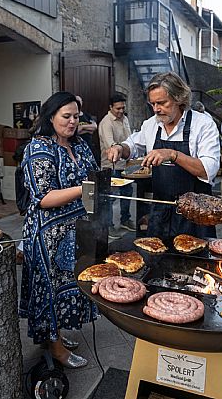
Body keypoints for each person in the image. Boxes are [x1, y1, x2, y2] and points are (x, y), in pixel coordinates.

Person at [19, 91, 99, 369]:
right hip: (47, 235)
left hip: (76, 230)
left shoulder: (80, 145)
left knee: (69, 286)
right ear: (50, 117)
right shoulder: (38, 148)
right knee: (50, 289)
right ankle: (56, 348)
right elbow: (43, 197)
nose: (73, 122)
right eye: (66, 116)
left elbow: (94, 175)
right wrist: (84, 189)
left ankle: (56, 336)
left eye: (76, 116)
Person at [107, 72, 220, 238]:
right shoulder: (151, 124)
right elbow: (132, 145)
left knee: (196, 261)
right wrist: (119, 147)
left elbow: (208, 170)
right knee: (157, 259)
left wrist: (173, 154)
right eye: (152, 104)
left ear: (179, 99)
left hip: (196, 213)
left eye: (161, 103)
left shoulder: (203, 124)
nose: (156, 109)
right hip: (161, 211)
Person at [98, 93, 135, 238]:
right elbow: (110, 146)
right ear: (110, 107)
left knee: (127, 193)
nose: (121, 111)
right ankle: (109, 227)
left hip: (125, 165)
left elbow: (130, 138)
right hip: (111, 166)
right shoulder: (106, 123)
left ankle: (125, 219)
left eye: (123, 108)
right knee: (110, 197)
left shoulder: (124, 118)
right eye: (118, 108)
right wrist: (121, 149)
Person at [75, 95, 99, 160]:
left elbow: (94, 127)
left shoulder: (87, 115)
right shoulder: (74, 117)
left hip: (89, 145)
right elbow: (76, 131)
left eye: (80, 101)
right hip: (78, 146)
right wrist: (88, 129)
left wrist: (82, 127)